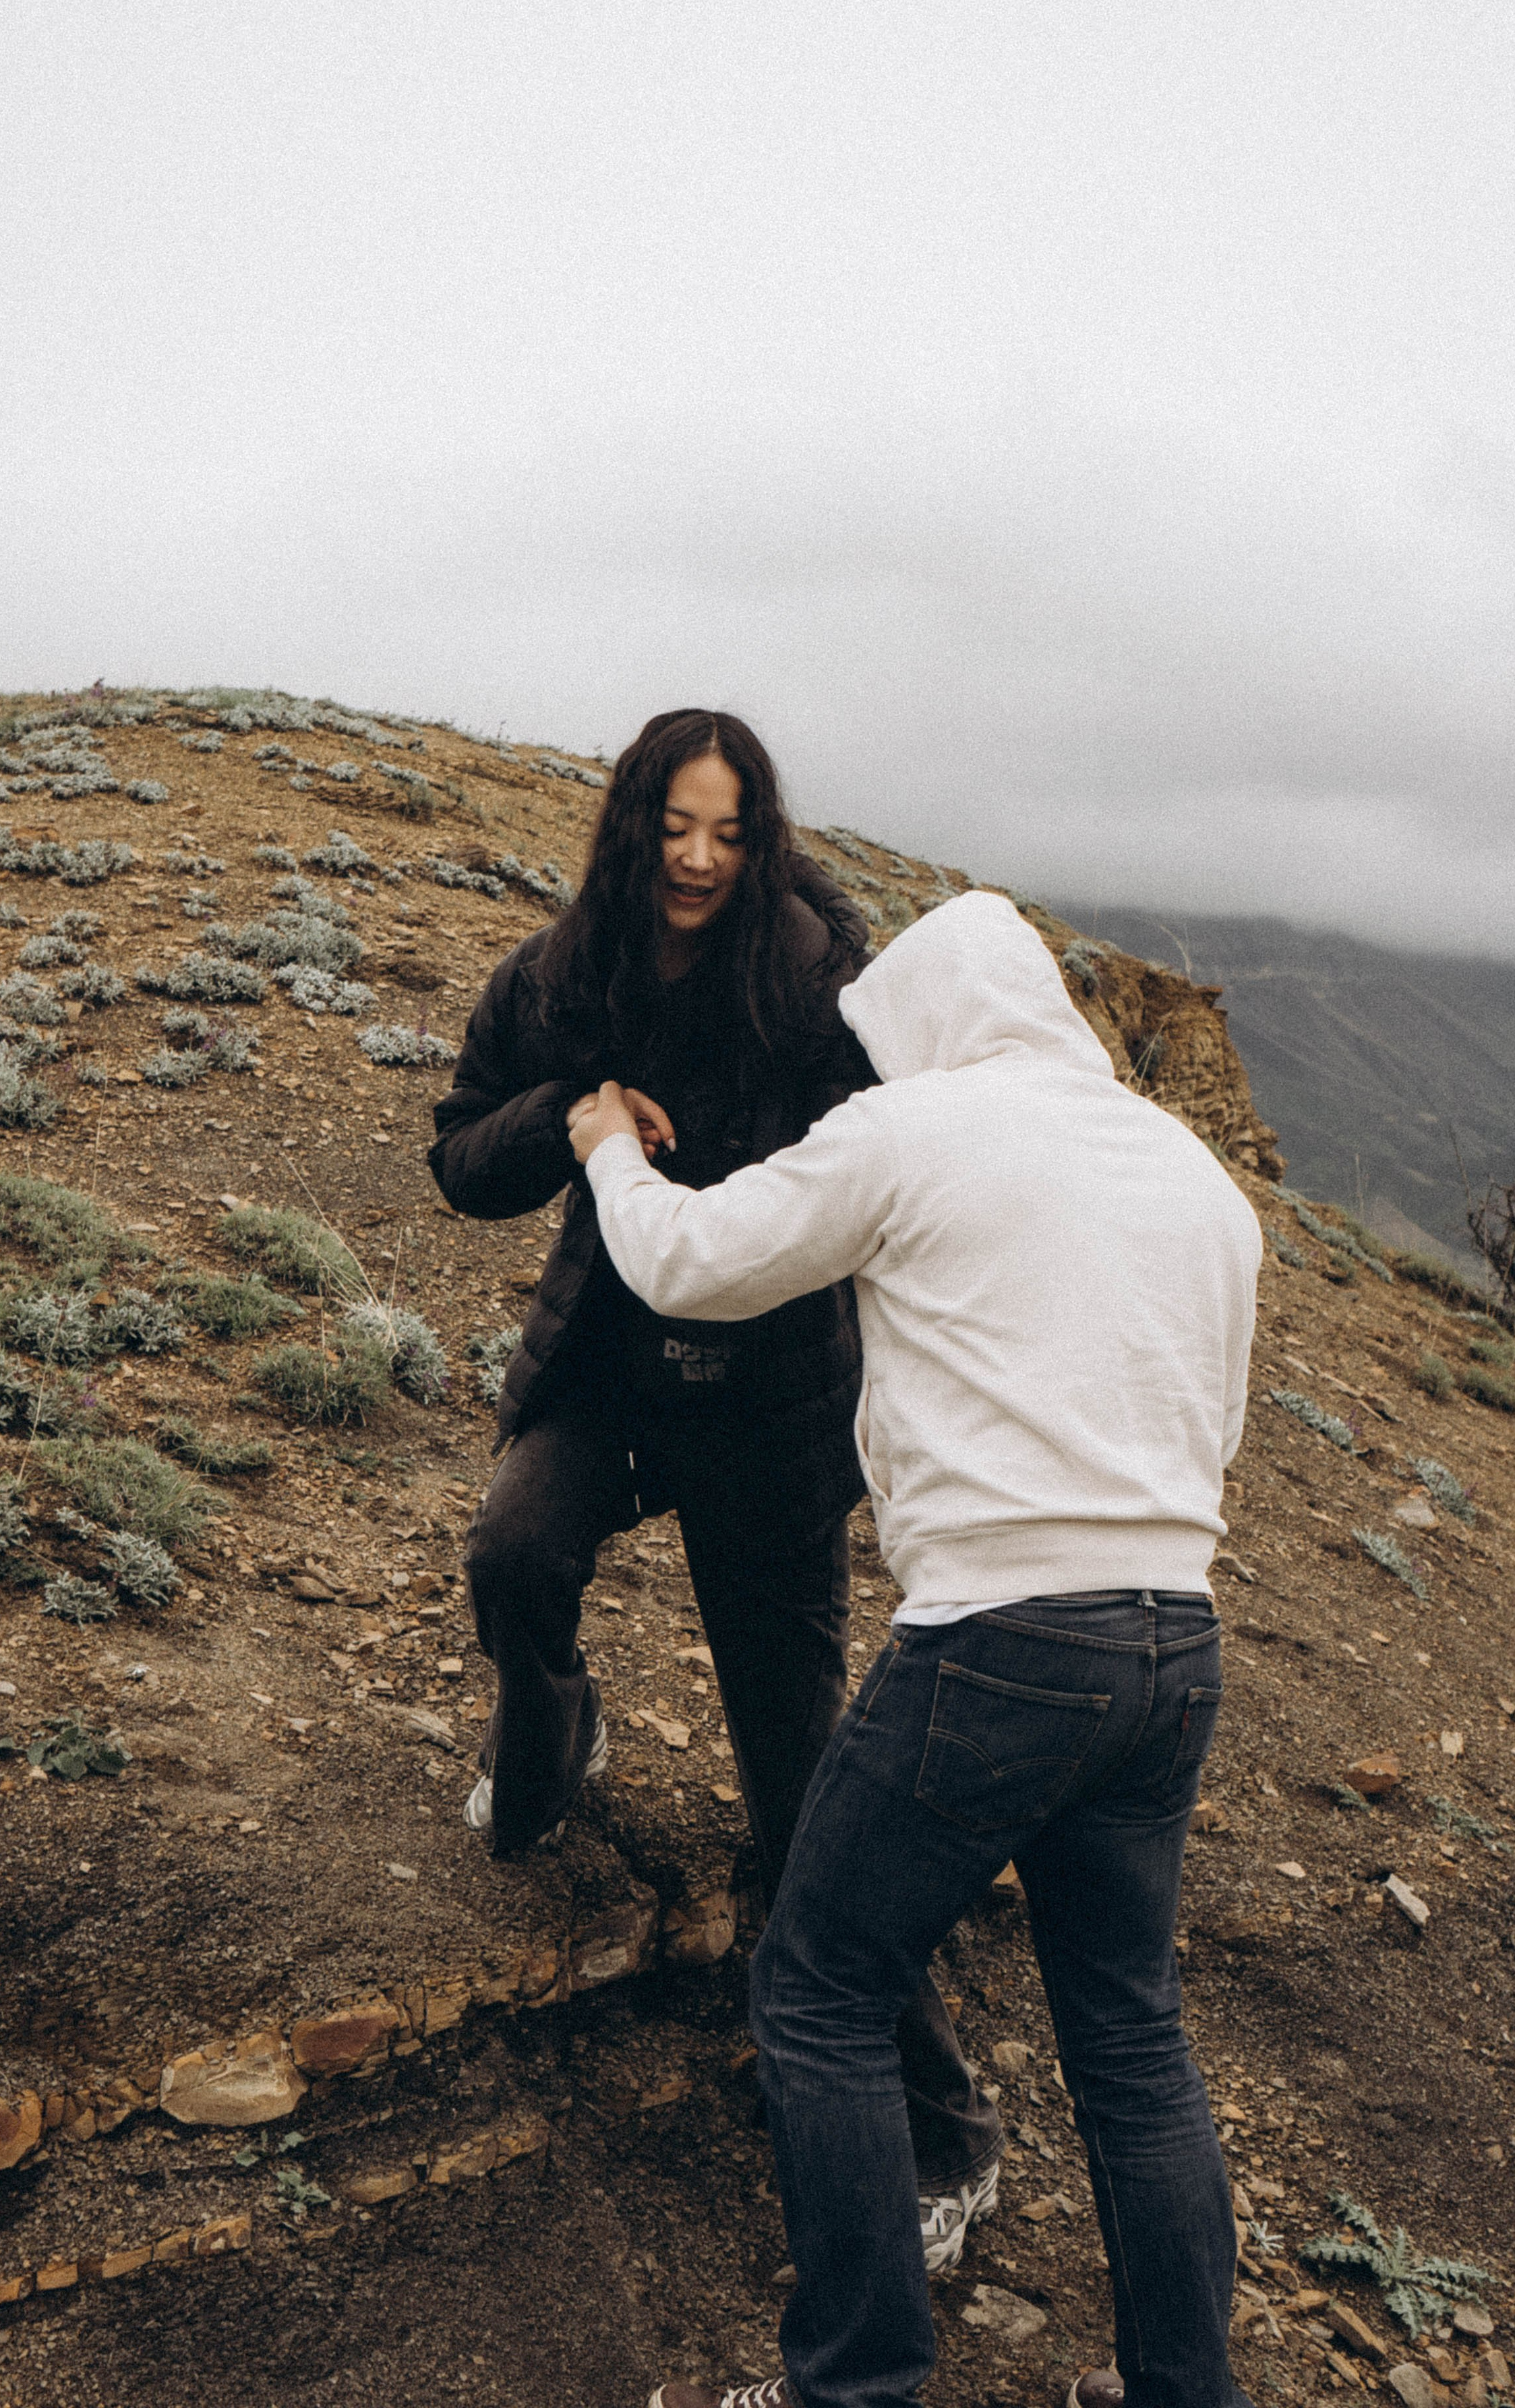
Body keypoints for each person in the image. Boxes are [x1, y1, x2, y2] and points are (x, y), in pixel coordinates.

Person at [568, 891, 1262, 2408]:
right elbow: (1209, 1432)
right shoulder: (1198, 1178)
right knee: (1131, 2040)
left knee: (819, 1986)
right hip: (1174, 1643)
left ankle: (854, 2384)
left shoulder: (916, 1130)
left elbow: (689, 1262)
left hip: (998, 1642)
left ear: (926, 1023)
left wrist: (609, 1148)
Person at [427, 711, 1001, 2269]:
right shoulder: (560, 974)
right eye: (672, 827)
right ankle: (553, 1731)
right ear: (631, 825)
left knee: (799, 1788)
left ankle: (944, 2133)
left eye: (727, 833)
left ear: (762, 841)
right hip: (608, 1373)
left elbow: (904, 1157)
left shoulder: (815, 983)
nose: (695, 859)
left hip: (770, 1413)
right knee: (513, 1553)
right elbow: (457, 1155)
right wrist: (568, 1119)